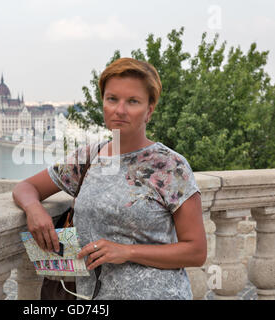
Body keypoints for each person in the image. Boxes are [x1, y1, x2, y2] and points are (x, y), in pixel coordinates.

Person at [12, 57, 207, 300]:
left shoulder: (170, 166)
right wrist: (34, 210)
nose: (120, 110)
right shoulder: (88, 157)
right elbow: (26, 186)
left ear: (149, 109)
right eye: (112, 99)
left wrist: (127, 251)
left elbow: (196, 251)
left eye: (133, 101)